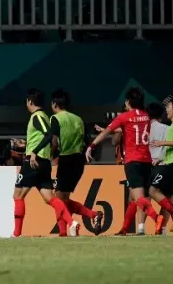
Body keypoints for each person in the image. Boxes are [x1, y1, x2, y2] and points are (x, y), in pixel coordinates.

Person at [86, 87, 164, 235]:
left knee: (138, 197)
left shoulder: (124, 117)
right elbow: (131, 128)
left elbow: (107, 132)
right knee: (140, 197)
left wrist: (92, 145)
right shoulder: (147, 117)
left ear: (128, 101)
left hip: (132, 161)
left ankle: (157, 217)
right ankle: (134, 228)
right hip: (147, 161)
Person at [13, 88, 80, 238]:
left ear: (30, 102)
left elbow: (48, 135)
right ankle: (72, 223)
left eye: (27, 101)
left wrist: (34, 152)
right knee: (49, 198)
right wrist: (26, 145)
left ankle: (16, 235)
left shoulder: (37, 116)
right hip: (43, 163)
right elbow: (42, 136)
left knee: (17, 195)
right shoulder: (43, 116)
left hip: (33, 162)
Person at [50, 89, 104, 236]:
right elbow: (87, 140)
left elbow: (54, 141)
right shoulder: (79, 119)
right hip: (79, 161)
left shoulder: (56, 118)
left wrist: (50, 155)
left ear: (54, 104)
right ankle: (93, 215)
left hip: (66, 159)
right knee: (63, 199)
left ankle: (63, 232)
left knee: (58, 199)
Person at [149, 97, 173, 234]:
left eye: (169, 107)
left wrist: (161, 143)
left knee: (152, 190)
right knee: (171, 199)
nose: (166, 109)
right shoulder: (172, 125)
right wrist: (159, 159)